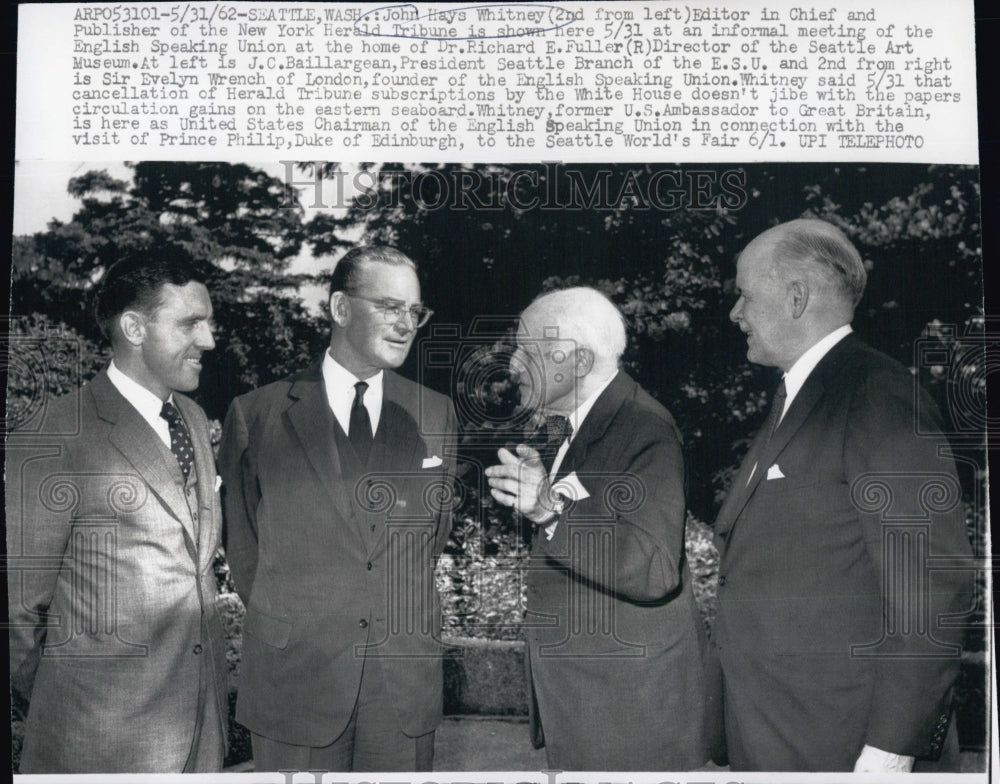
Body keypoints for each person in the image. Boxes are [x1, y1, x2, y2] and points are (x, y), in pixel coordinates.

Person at [713, 218, 974, 772]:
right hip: (781, 732)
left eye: (743, 294)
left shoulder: (877, 395)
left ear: (796, 296)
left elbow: (931, 583)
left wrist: (893, 746)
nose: (734, 314)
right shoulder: (799, 397)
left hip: (845, 743)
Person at [218, 246, 457, 772]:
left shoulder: (435, 413)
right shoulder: (256, 415)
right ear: (340, 309)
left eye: (414, 312)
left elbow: (430, 541)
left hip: (402, 686)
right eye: (389, 306)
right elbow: (243, 548)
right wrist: (301, 623)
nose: (405, 324)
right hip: (296, 678)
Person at [7, 249, 227, 772]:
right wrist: (69, 708)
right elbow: (18, 612)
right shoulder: (53, 434)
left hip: (203, 729)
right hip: (95, 743)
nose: (209, 340)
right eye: (191, 324)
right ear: (133, 327)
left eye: (210, 322)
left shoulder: (193, 418)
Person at [485, 287, 708, 771]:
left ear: (579, 359)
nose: (513, 367)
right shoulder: (572, 428)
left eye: (528, 351)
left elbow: (652, 568)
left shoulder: (644, 427)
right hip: (592, 703)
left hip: (629, 713)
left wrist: (548, 512)